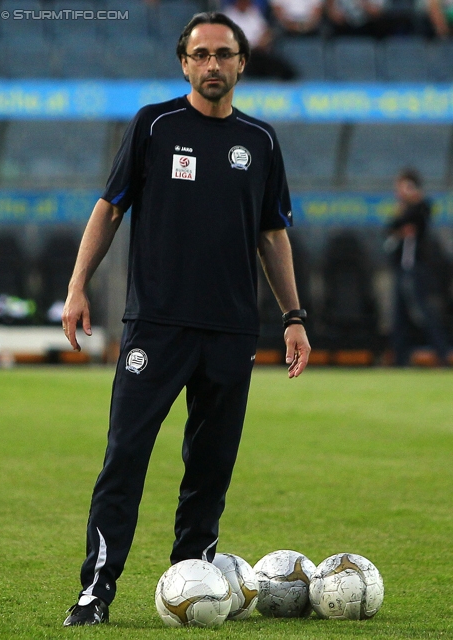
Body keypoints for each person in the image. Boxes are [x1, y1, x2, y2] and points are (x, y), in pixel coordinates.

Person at [61, 11, 311, 627]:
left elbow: (273, 234)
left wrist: (293, 316)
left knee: (210, 467)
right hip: (156, 327)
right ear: (183, 63)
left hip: (231, 330)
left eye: (224, 55)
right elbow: (109, 209)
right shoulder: (154, 125)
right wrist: (76, 287)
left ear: (241, 64)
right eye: (200, 55)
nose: (212, 66)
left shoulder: (261, 141)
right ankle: (97, 590)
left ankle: (192, 578)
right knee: (126, 455)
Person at [385, 168, 450, 366]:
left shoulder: (420, 207)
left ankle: (443, 354)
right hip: (402, 269)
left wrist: (410, 204)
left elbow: (418, 217)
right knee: (400, 315)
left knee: (426, 313)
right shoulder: (403, 209)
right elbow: (392, 227)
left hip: (417, 270)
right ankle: (400, 359)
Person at [222, 0, 298, 79]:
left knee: (277, 64)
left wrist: (264, 41)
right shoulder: (229, 15)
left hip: (259, 51)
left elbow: (266, 31)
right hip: (242, 53)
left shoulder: (253, 12)